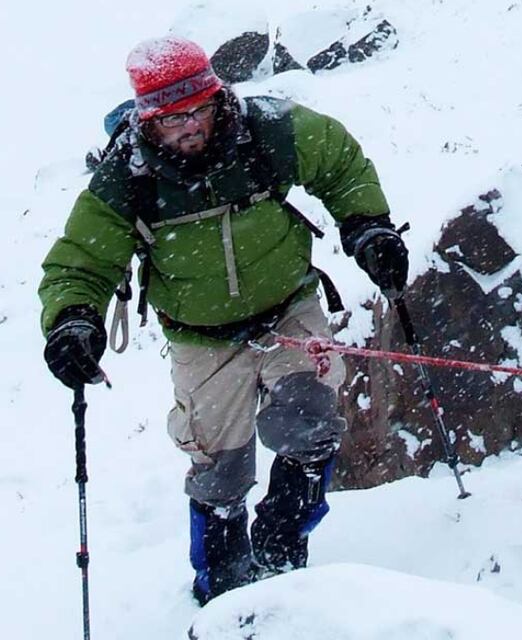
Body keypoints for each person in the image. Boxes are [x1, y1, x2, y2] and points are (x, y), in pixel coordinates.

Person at [38, 36, 409, 605]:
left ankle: (284, 546)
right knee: (219, 469)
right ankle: (225, 587)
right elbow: (80, 262)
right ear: (147, 119)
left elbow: (341, 164)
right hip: (201, 337)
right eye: (171, 118)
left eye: (199, 109)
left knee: (310, 422)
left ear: (217, 97)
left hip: (289, 306)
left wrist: (369, 228)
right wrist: (72, 321)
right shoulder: (126, 177)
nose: (189, 126)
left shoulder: (268, 130)